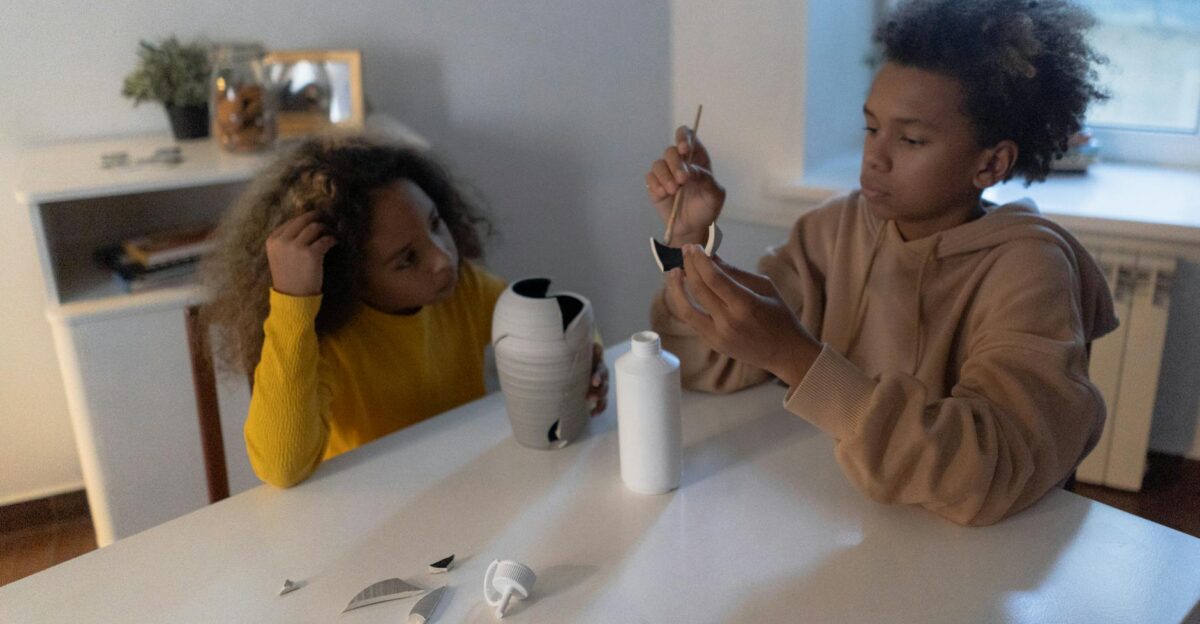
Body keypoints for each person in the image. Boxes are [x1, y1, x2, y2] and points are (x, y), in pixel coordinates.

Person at [644, 0, 1117, 526]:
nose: (875, 157)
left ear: (990, 163)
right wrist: (690, 236)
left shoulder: (1029, 270)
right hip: (842, 522)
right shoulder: (833, 231)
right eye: (872, 129)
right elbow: (709, 367)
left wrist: (797, 357)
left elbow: (990, 471)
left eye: (911, 139)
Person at [203, 137, 609, 488]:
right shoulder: (324, 344)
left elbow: (547, 319)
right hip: (375, 511)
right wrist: (292, 301)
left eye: (435, 224)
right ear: (352, 279)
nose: (442, 258)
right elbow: (280, 467)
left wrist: (587, 361)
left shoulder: (464, 288)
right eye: (406, 259)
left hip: (467, 486)